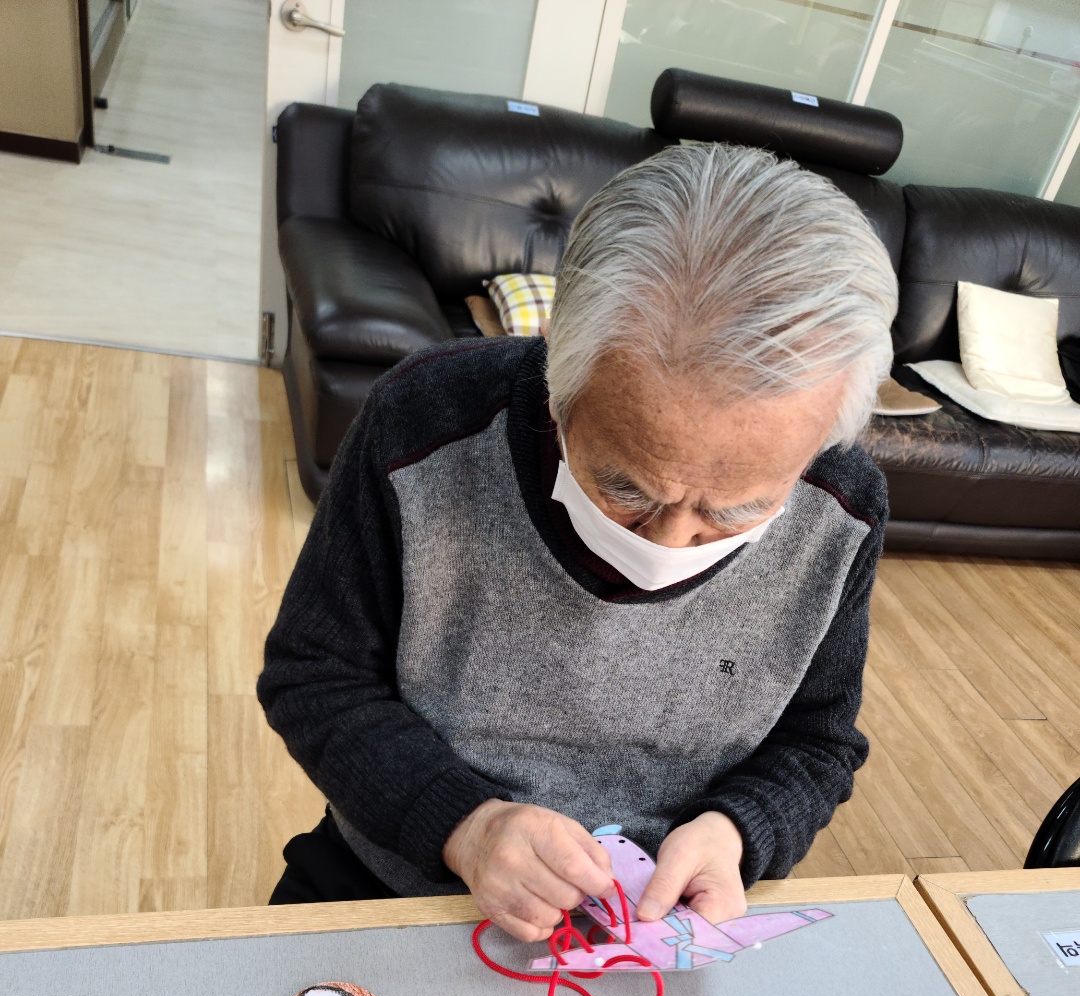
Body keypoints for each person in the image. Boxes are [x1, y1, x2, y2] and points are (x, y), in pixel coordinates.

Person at [258, 142, 898, 941]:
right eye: (627, 490)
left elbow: (818, 740)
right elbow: (315, 675)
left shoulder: (840, 509)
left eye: (737, 509)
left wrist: (740, 829)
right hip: (401, 878)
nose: (672, 544)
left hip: (658, 923)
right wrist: (464, 825)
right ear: (559, 369)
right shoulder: (424, 427)